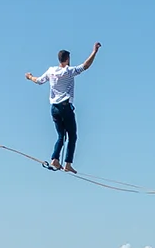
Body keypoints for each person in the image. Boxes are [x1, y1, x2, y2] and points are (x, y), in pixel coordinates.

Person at [25, 42, 101, 172]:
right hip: (65, 107)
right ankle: (68, 164)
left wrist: (30, 76)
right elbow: (85, 66)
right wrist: (94, 52)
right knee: (72, 136)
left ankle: (55, 159)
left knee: (61, 136)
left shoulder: (51, 71)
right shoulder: (68, 71)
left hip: (54, 108)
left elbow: (38, 81)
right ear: (67, 59)